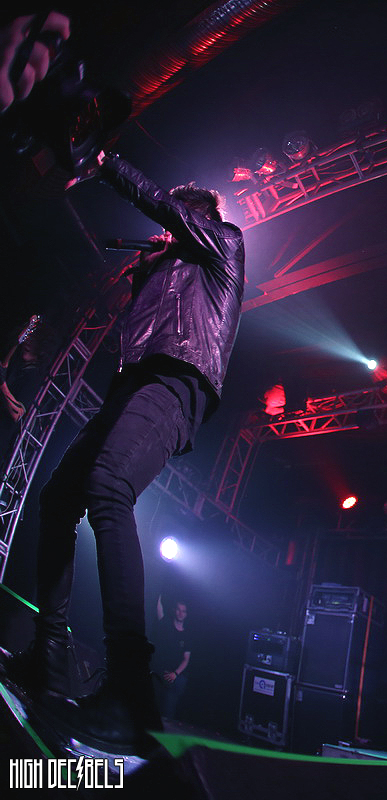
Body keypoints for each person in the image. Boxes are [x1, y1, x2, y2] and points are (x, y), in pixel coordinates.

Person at [0, 149, 244, 753]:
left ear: (199, 217)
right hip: (134, 384)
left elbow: (163, 206)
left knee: (109, 487)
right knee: (59, 496)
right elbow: (140, 325)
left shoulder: (224, 244)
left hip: (177, 381)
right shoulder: (164, 268)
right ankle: (50, 655)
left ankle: (131, 691)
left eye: (178, 217)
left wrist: (107, 163)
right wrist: (148, 268)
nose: (165, 225)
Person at [153, 596, 191, 720]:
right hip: (162, 671)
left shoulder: (187, 635)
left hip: (177, 675)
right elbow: (159, 612)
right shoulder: (167, 626)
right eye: (178, 610)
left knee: (169, 704)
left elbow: (186, 659)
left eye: (183, 611)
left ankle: (167, 720)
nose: (180, 613)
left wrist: (175, 673)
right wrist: (158, 596)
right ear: (175, 610)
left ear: (186, 614)